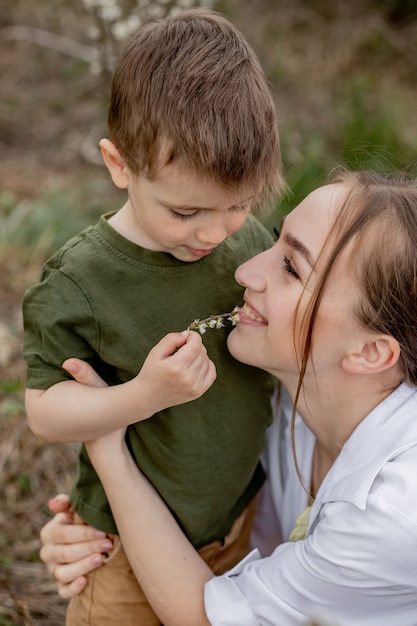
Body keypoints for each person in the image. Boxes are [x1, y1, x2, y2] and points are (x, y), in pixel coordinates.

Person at [40, 169, 417, 625]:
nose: (245, 270)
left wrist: (108, 451)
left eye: (292, 267)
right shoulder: (285, 395)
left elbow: (207, 617)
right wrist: (100, 536)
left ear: (371, 351)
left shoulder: (393, 513)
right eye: (275, 242)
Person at [22, 9, 286, 626]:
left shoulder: (245, 241)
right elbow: (45, 411)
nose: (216, 231)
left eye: (240, 203)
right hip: (124, 549)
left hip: (238, 518)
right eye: (187, 210)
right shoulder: (83, 282)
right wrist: (145, 394)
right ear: (119, 166)